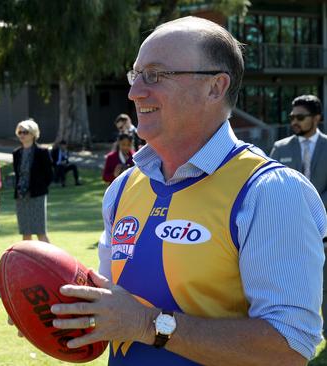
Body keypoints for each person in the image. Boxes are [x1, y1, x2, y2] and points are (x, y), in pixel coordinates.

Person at [48, 16, 326, 365]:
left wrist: (148, 325)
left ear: (215, 86)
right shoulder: (123, 188)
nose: (135, 92)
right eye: (136, 75)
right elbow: (115, 308)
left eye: (156, 74)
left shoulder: (270, 192)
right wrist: (57, 308)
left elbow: (290, 348)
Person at [270, 95, 327, 211]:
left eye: (300, 117)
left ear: (316, 118)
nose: (294, 122)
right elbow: (271, 184)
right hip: (288, 215)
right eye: (292, 117)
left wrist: (315, 207)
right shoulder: (280, 148)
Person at [12, 119, 53, 243]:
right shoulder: (16, 153)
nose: (22, 135)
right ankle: (27, 262)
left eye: (25, 132)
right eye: (20, 132)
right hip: (21, 196)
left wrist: (39, 186)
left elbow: (49, 174)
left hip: (37, 195)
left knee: (40, 232)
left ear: (33, 134)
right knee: (26, 233)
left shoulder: (42, 152)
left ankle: (51, 261)